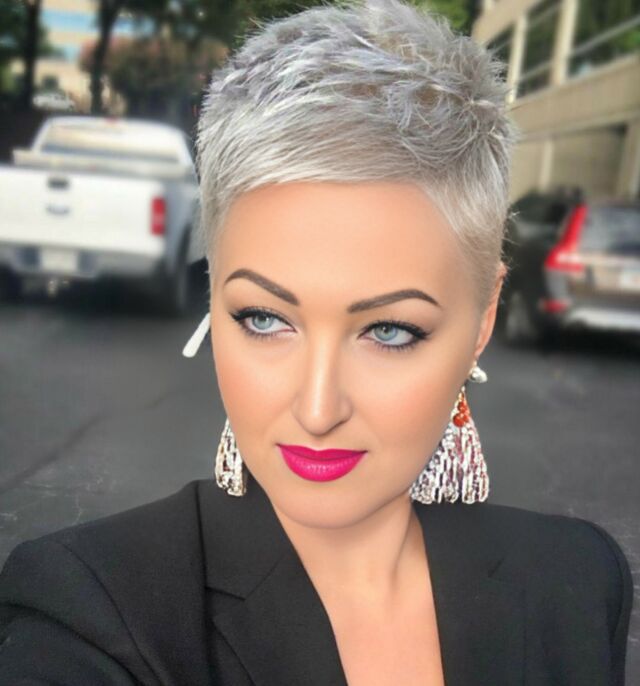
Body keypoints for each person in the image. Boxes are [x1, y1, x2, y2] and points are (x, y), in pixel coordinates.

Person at [0, 0, 633, 684]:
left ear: (483, 323)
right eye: (264, 318)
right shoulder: (87, 610)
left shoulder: (578, 583)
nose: (317, 408)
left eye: (389, 330)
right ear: (213, 296)